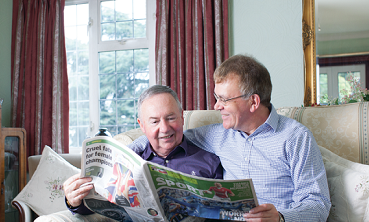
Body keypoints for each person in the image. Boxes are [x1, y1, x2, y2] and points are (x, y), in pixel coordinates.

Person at [129, 54, 331, 222]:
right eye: (217, 98)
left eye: (224, 99)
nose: (217, 106)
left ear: (253, 102)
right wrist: (125, 153)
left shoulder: (296, 138)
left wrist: (280, 217)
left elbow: (319, 204)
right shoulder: (219, 134)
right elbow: (166, 136)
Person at [63, 85, 223, 216]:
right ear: (142, 125)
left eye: (171, 118)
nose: (165, 128)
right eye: (154, 121)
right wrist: (73, 201)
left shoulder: (209, 161)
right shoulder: (126, 161)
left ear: (181, 117)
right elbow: (101, 208)